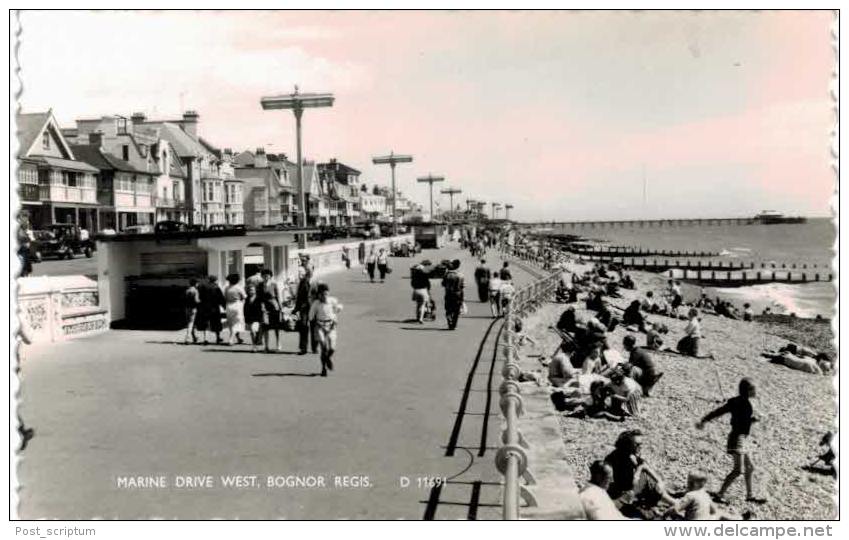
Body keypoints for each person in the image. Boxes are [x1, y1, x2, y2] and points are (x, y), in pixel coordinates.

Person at [696, 378, 767, 505]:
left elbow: (719, 412)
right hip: (737, 439)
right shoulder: (744, 404)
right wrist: (754, 420)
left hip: (742, 439)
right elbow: (738, 421)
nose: (756, 391)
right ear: (748, 390)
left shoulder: (737, 402)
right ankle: (719, 494)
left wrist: (705, 420)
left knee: (750, 467)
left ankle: (750, 496)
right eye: (754, 388)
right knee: (738, 470)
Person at [604, 429, 676, 518]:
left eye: (641, 443)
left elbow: (645, 465)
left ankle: (669, 501)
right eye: (637, 444)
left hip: (628, 490)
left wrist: (659, 481)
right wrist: (640, 469)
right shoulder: (621, 459)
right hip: (622, 495)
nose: (640, 446)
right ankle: (673, 503)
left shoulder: (629, 453)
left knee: (651, 477)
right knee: (645, 477)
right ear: (627, 444)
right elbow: (632, 483)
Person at [664, 471, 743, 521]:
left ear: (692, 484)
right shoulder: (706, 495)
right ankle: (737, 519)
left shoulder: (690, 495)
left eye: (688, 482)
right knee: (719, 514)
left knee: (676, 516)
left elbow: (675, 509)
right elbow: (714, 511)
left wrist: (664, 514)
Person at [308, 283, 344, 377]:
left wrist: (339, 309)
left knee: (332, 348)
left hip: (331, 325)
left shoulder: (332, 301)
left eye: (326, 294)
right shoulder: (316, 303)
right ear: (318, 294)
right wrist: (312, 318)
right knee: (324, 347)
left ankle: (328, 359)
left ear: (328, 293)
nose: (324, 296)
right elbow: (311, 316)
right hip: (320, 326)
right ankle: (323, 368)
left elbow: (338, 308)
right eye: (322, 294)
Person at [259, 269, 284, 353]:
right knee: (265, 327)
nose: (266, 277)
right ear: (262, 276)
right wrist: (261, 307)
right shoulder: (260, 285)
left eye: (267, 275)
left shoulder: (274, 284)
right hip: (265, 308)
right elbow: (260, 298)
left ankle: (278, 344)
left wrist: (281, 308)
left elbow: (278, 296)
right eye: (264, 275)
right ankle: (266, 346)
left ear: (270, 276)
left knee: (276, 327)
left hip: (274, 306)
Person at [198, 276, 225, 345]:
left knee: (206, 323)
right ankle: (218, 338)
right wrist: (224, 306)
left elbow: (199, 297)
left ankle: (205, 339)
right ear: (215, 280)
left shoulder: (202, 287)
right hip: (214, 307)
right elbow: (220, 298)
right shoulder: (216, 287)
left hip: (205, 307)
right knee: (216, 323)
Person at [441, 259, 465, 330]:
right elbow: (462, 286)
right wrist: (462, 297)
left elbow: (443, 284)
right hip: (457, 293)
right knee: (456, 310)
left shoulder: (447, 274)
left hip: (448, 293)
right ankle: (454, 325)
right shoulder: (460, 275)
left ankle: (449, 321)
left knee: (448, 309)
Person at [294, 269, 314, 354]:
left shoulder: (315, 283)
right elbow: (299, 296)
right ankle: (303, 348)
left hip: (313, 307)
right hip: (304, 308)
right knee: (303, 326)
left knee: (313, 327)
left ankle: (314, 347)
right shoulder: (302, 283)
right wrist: (296, 308)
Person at [224, 274, 246, 345]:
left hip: (229, 305)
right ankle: (231, 339)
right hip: (237, 305)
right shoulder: (239, 288)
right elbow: (244, 296)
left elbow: (225, 297)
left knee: (231, 323)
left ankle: (238, 338)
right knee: (237, 323)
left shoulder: (227, 288)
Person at [243, 284, 265, 352]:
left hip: (258, 317)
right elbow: (245, 308)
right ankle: (254, 345)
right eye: (249, 290)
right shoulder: (247, 298)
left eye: (252, 290)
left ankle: (256, 344)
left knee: (256, 331)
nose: (251, 291)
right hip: (250, 317)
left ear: (255, 290)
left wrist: (263, 314)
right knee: (252, 331)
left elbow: (262, 307)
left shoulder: (259, 298)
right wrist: (245, 316)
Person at [183, 278, 201, 344]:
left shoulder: (187, 290)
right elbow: (196, 300)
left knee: (190, 323)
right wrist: (200, 301)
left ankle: (194, 337)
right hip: (193, 308)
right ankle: (187, 338)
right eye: (197, 283)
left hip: (187, 308)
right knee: (190, 324)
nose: (198, 284)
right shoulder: (195, 291)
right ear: (195, 283)